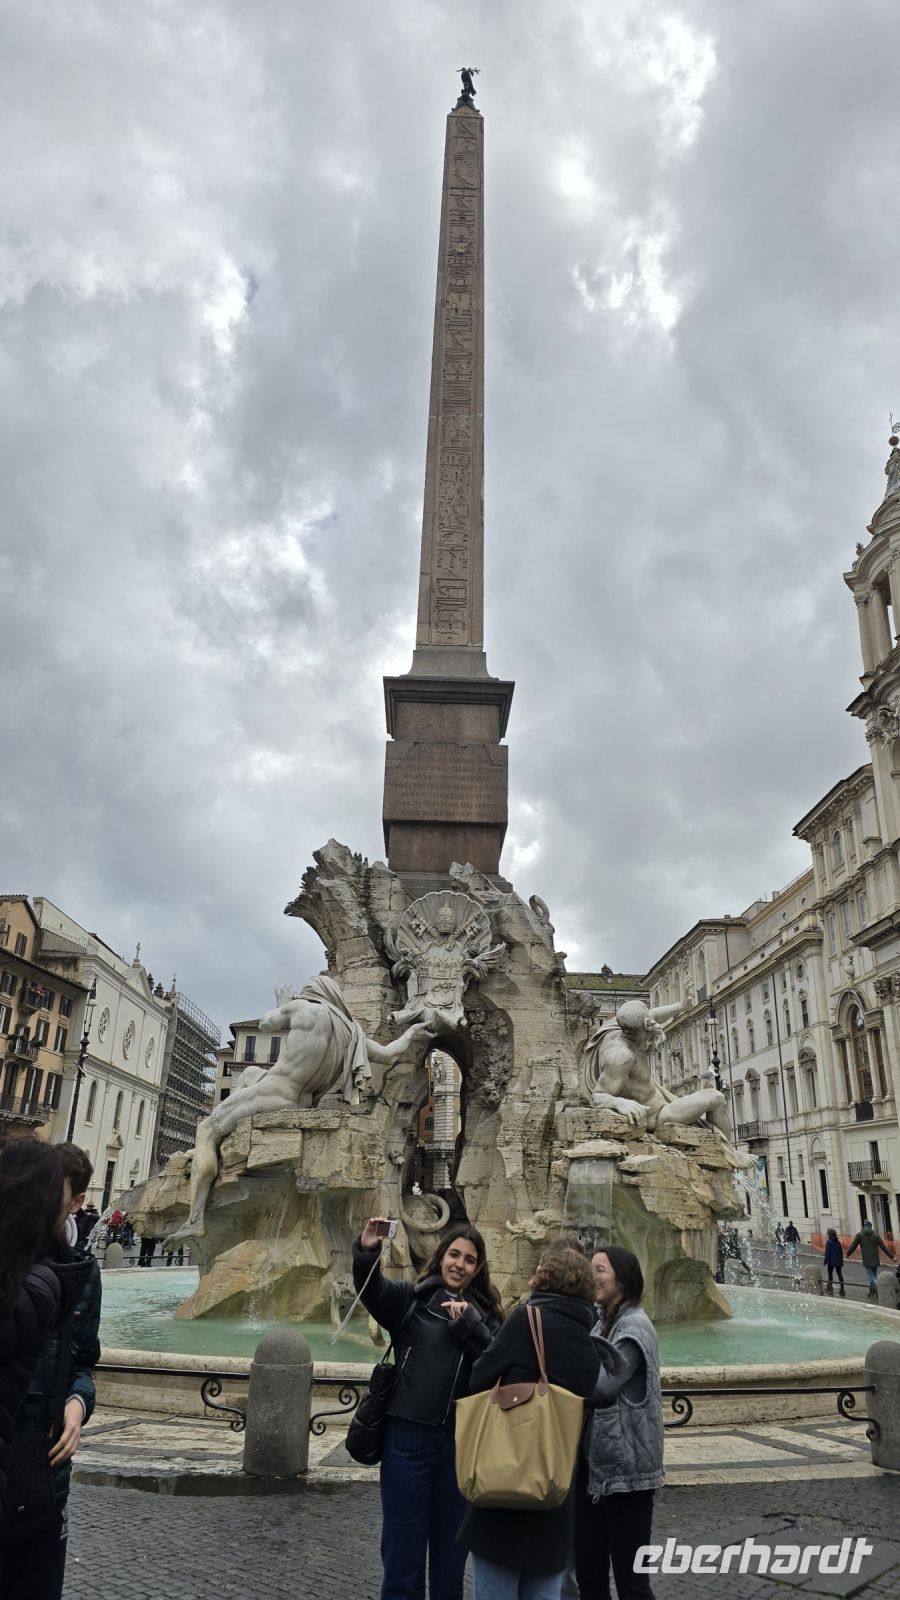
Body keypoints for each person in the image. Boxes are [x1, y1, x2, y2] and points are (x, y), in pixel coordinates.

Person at [353, 1216, 503, 1600]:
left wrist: (472, 1326)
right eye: (454, 1254)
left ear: (478, 1268)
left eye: (470, 1260)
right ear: (440, 1257)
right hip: (407, 1441)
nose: (460, 1264)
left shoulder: (487, 1316)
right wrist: (368, 1252)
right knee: (402, 1555)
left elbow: (498, 1368)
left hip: (459, 1447)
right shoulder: (412, 1300)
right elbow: (372, 1291)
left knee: (451, 1562)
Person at [458, 1244, 602, 1600]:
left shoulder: (528, 1320)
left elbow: (480, 1378)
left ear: (545, 1276)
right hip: (553, 1494)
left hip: (505, 1486)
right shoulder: (591, 1341)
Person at [1, 1142, 101, 1600]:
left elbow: (81, 1360)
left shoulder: (76, 1272)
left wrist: (78, 1403)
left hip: (45, 1473)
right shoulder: (45, 1275)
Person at [573, 1246, 665, 1600]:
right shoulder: (603, 1322)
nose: (591, 1276)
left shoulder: (634, 1327)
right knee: (589, 1574)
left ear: (623, 1279)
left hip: (628, 1476)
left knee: (632, 1584)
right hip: (597, 1470)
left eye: (600, 1269)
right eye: (590, 1269)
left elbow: (601, 1387)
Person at [846, 1218, 895, 1298]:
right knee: (872, 1276)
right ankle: (871, 1292)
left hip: (867, 1260)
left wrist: (848, 1254)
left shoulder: (860, 1235)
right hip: (875, 1259)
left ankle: (880, 1288)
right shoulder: (875, 1235)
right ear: (870, 1226)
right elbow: (883, 1246)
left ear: (864, 1226)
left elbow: (853, 1246)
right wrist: (892, 1257)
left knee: (871, 1277)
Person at [823, 1229, 845, 1296]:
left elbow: (827, 1253)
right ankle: (842, 1288)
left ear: (830, 1234)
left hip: (831, 1261)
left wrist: (825, 1261)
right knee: (839, 1274)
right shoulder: (838, 1242)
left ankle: (830, 1286)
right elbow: (841, 1253)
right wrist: (841, 1262)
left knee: (830, 1274)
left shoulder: (829, 1242)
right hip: (838, 1261)